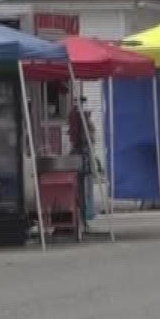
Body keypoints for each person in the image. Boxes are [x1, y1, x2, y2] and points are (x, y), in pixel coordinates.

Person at [67, 93, 97, 226]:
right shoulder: (78, 116)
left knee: (83, 188)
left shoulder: (79, 117)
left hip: (83, 156)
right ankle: (83, 216)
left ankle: (84, 216)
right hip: (82, 157)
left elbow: (86, 137)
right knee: (82, 188)